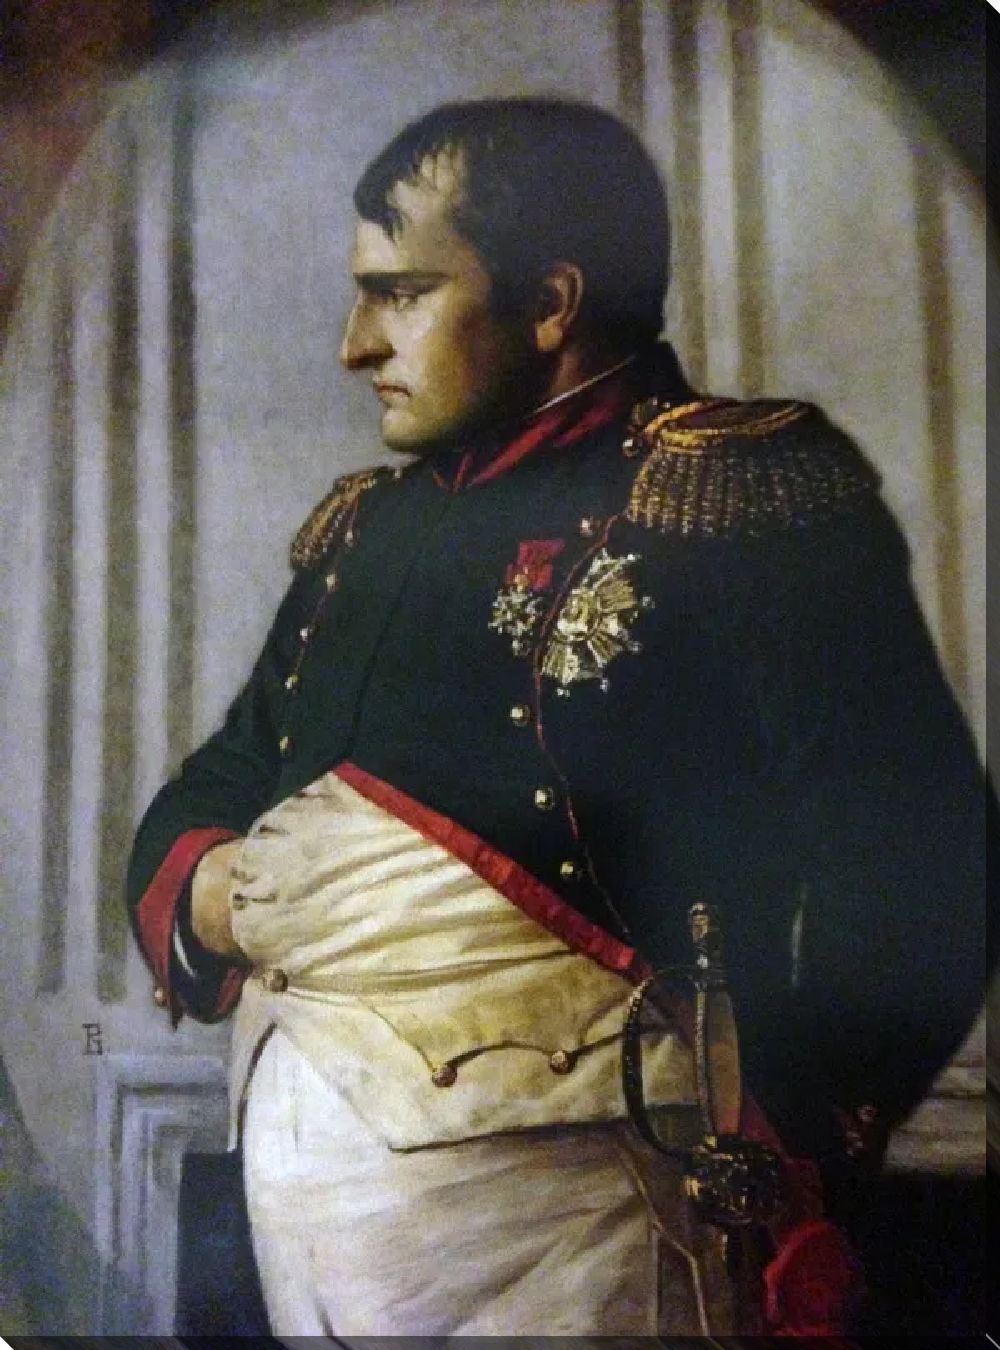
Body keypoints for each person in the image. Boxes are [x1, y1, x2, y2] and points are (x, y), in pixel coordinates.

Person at [126, 98, 988, 1338]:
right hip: (305, 1220)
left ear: (550, 305)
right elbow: (227, 773)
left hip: (601, 1224)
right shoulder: (369, 531)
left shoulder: (735, 498)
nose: (355, 346)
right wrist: (217, 892)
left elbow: (922, 860)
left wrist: (787, 1137)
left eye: (401, 294)